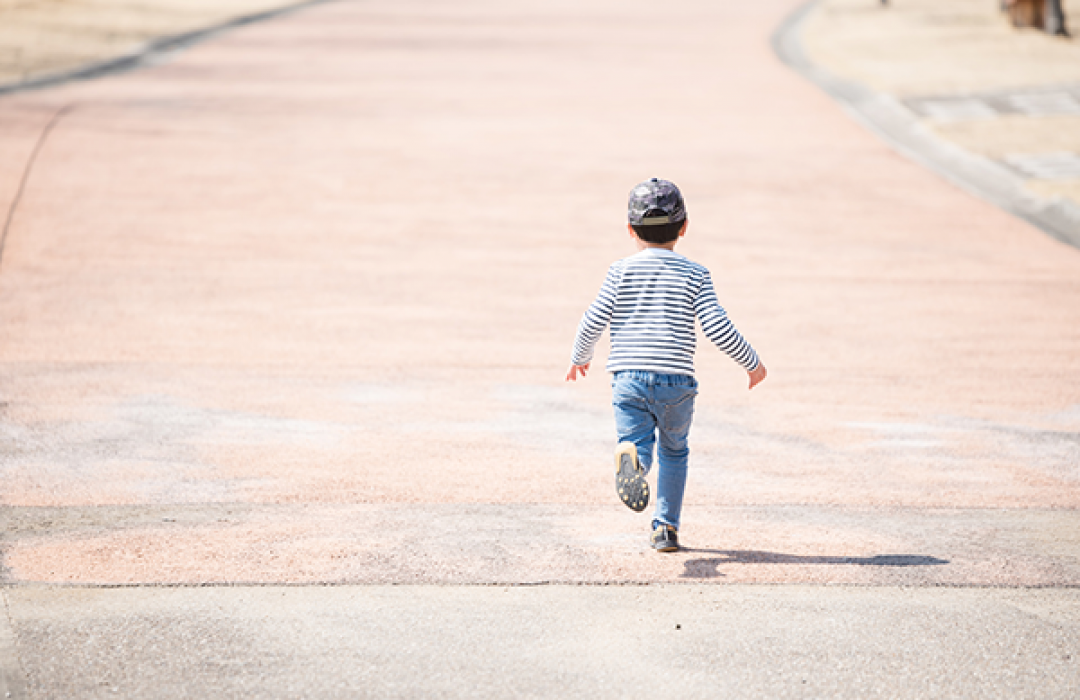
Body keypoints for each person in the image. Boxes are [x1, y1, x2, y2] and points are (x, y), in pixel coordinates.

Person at [565, 178, 767, 552]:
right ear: (684, 227)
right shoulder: (695, 274)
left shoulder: (620, 271)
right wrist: (751, 363)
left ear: (630, 229)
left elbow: (593, 318)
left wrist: (581, 357)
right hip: (677, 382)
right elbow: (717, 326)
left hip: (628, 378)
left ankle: (635, 463)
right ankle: (665, 528)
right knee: (674, 451)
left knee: (636, 441)